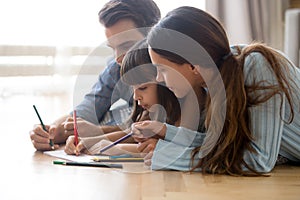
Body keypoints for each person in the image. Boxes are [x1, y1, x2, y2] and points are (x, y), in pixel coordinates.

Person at [131, 6, 300, 176]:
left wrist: (172, 158)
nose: (159, 78)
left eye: (163, 69)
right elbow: (220, 145)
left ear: (192, 65)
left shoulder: (256, 66)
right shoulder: (214, 81)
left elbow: (258, 159)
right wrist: (165, 131)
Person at [29, 0, 161, 151]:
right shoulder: (115, 68)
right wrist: (48, 133)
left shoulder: (175, 74)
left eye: (126, 46)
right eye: (113, 48)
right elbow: (84, 113)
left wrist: (98, 133)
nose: (118, 58)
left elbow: (157, 129)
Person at [64, 39, 181, 156]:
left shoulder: (181, 116)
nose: (136, 97)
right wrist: (89, 141)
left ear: (163, 80)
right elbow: (130, 134)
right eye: (133, 89)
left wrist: (118, 148)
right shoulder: (149, 114)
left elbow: (177, 150)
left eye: (143, 88)